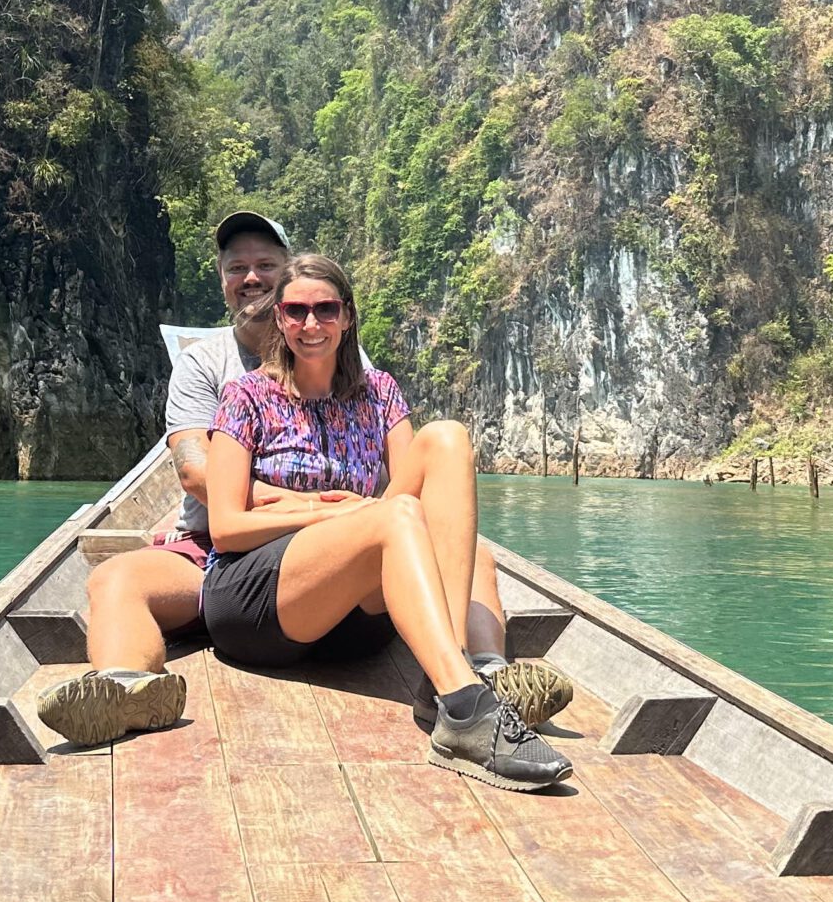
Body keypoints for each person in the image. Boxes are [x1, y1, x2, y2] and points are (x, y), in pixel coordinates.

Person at [201, 253, 574, 792]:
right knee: (395, 513)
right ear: (279, 318)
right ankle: (466, 709)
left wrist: (370, 514)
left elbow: (419, 491)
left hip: (353, 613)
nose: (311, 325)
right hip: (259, 601)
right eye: (296, 311)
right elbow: (226, 528)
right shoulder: (245, 397)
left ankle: (446, 670)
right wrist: (325, 510)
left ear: (347, 316)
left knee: (446, 439)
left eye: (325, 310)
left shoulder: (379, 393)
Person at [32, 210, 289, 747]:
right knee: (115, 580)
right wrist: (309, 504)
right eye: (237, 266)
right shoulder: (205, 364)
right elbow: (196, 472)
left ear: (290, 271)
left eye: (266, 264)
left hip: (309, 543)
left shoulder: (329, 347)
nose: (251, 278)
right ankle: (129, 691)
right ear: (221, 278)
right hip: (215, 544)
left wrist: (314, 515)